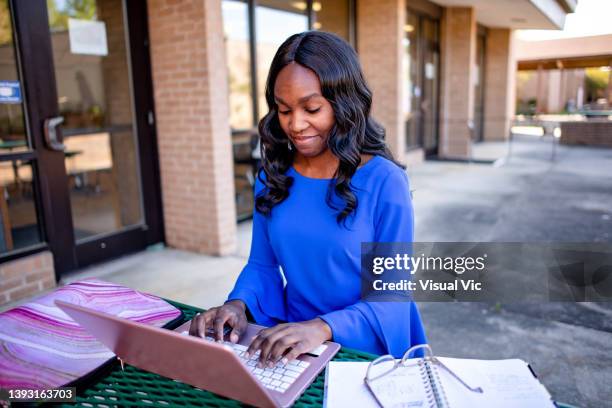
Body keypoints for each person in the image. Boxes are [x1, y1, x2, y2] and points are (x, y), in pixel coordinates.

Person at [190, 31, 426, 367]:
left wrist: (322, 328)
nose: (296, 125)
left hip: (361, 349)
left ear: (344, 103)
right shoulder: (272, 177)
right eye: (284, 109)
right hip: (288, 346)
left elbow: (392, 294)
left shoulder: (386, 182)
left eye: (311, 108)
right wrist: (238, 305)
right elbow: (262, 266)